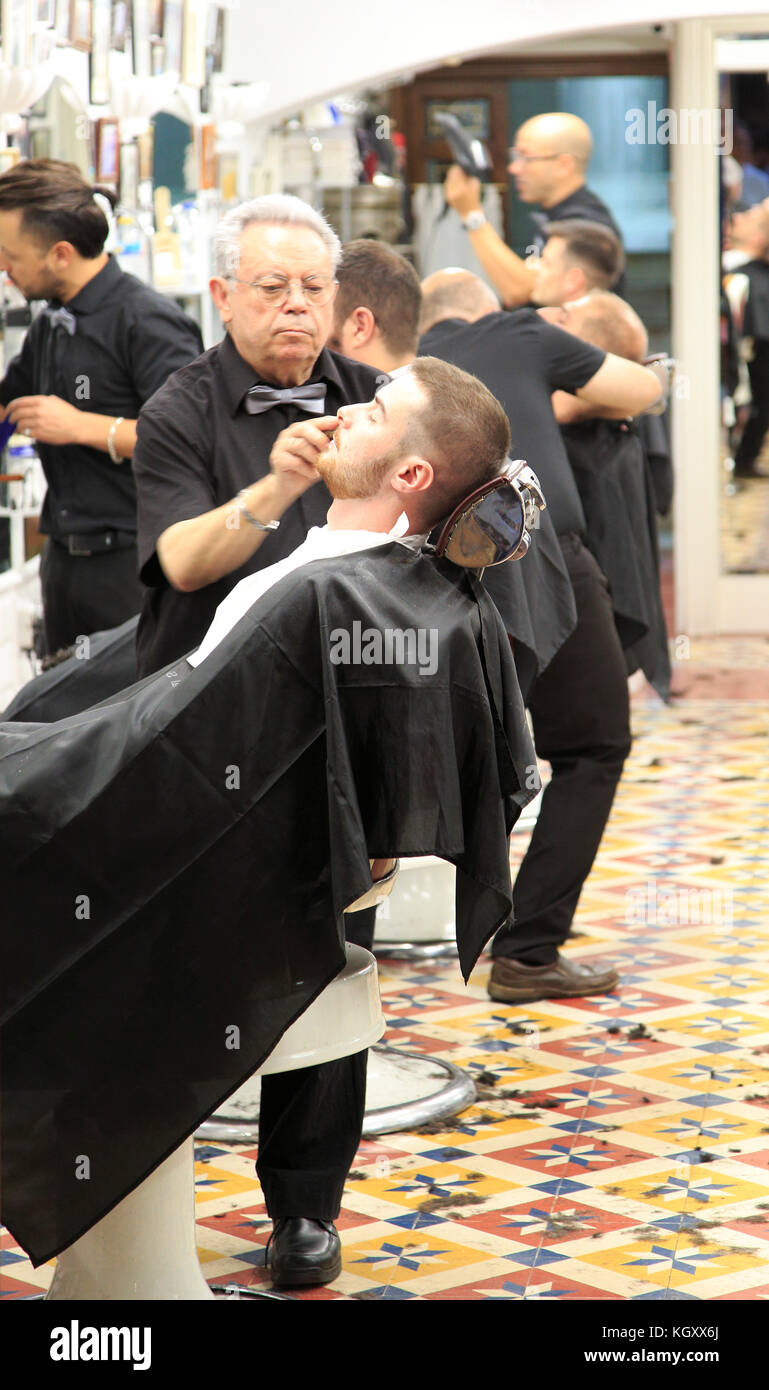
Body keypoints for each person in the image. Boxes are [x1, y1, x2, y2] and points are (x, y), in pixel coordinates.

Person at [0, 357, 539, 1272]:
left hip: (188, 865)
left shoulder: (332, 593)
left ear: (411, 472)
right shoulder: (371, 581)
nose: (346, 412)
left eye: (373, 412)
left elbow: (210, 767)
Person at [131, 194, 391, 1289]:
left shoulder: (379, 400)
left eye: (313, 287)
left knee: (325, 960)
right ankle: (138, 1205)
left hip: (341, 727)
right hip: (199, 726)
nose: (294, 305)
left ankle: (304, 1209)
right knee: (169, 966)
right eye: (271, 286)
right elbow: (182, 561)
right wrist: (278, 484)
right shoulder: (178, 406)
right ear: (223, 295)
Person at [418, 268, 665, 1004]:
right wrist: (564, 397)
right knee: (594, 746)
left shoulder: (400, 368)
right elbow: (642, 388)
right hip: (539, 558)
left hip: (427, 578)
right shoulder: (520, 331)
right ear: (487, 308)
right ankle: (527, 951)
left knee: (472, 761)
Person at [0, 159, 204, 654]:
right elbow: (7, 408)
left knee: (131, 699)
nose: (4, 270)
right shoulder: (51, 323)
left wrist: (81, 426)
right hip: (63, 563)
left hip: (131, 568)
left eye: (10, 256)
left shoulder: (149, 322)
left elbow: (189, 441)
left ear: (61, 254)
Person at [539, 290, 672, 698]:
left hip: (585, 625)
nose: (546, 316)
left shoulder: (593, 439)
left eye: (564, 316)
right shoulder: (611, 423)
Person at [443, 112, 626, 307]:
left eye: (526, 157)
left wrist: (472, 215)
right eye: (515, 156)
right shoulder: (552, 214)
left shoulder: (587, 225)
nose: (514, 168)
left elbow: (522, 290)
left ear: (564, 165)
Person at [722, 201, 769, 478]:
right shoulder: (737, 272)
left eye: (750, 215)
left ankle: (745, 459)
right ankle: (743, 459)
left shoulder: (751, 276)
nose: (739, 218)